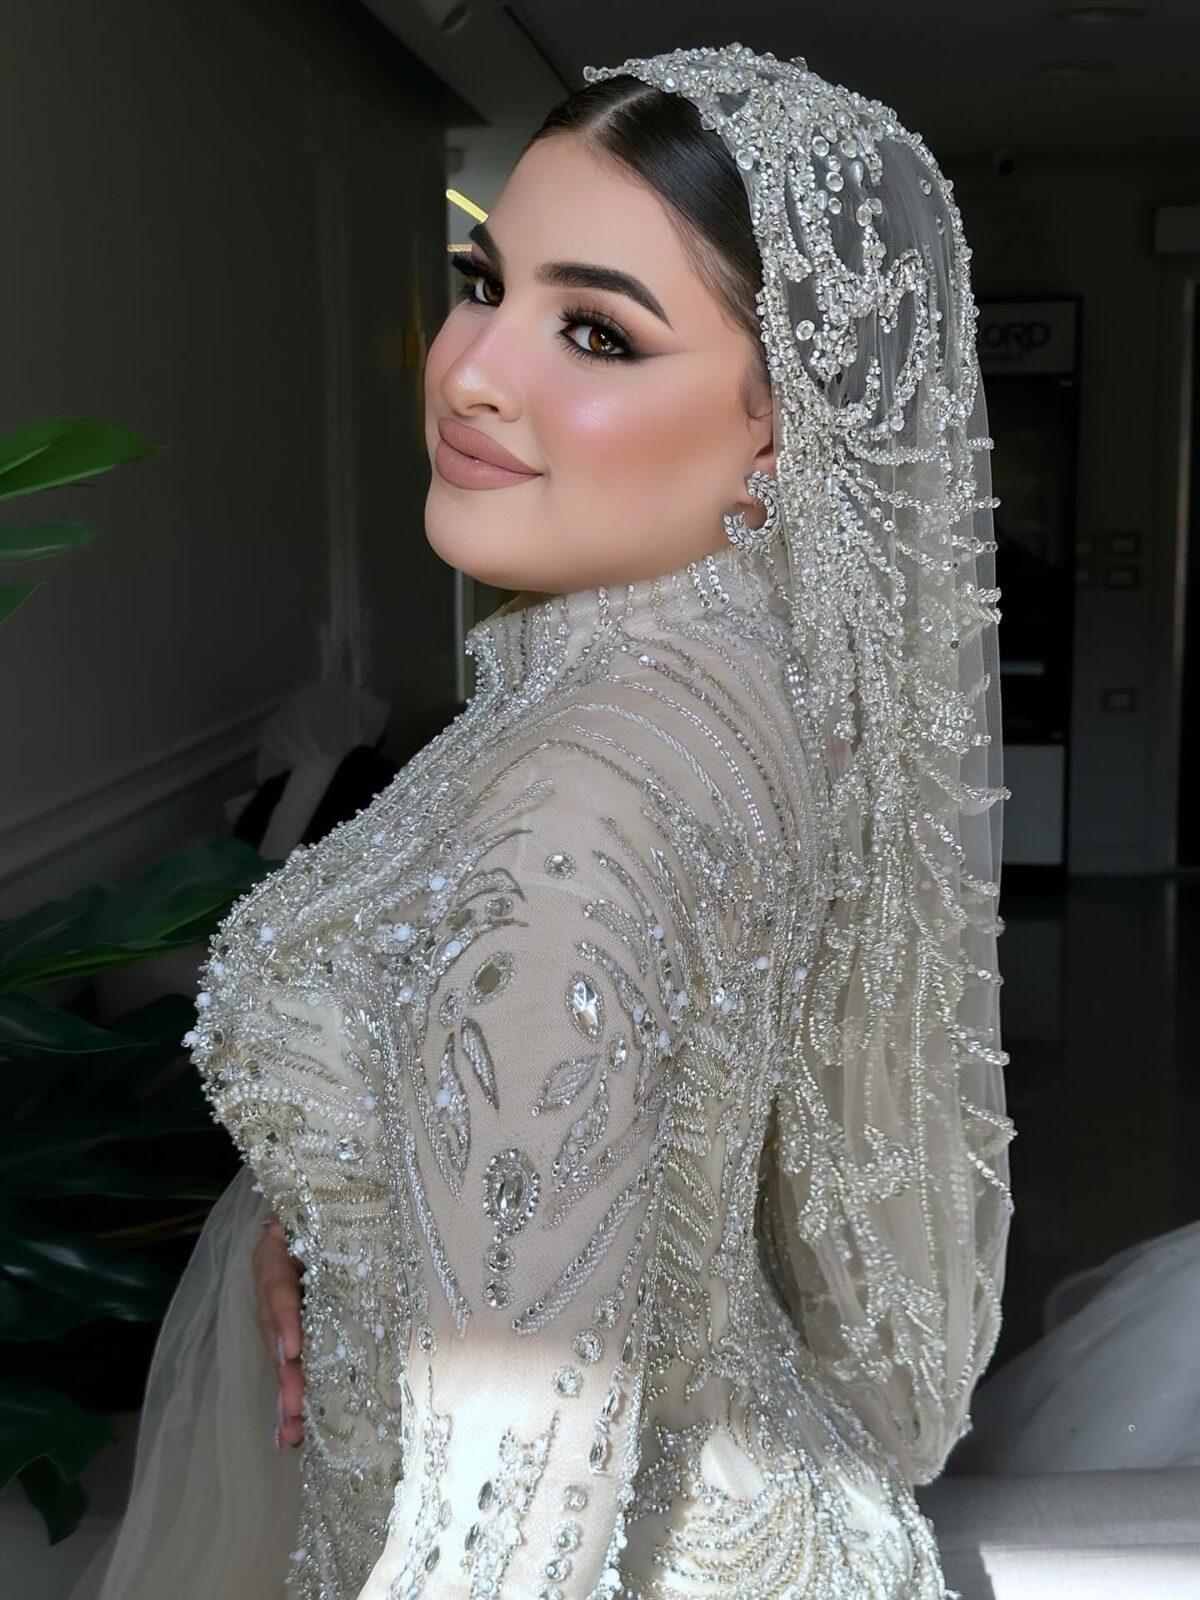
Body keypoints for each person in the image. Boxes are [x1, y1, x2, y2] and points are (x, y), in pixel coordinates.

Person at [69, 42, 1013, 1600]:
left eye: (595, 330)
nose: (469, 370)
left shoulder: (582, 806)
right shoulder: (736, 688)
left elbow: (513, 1532)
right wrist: (349, 1205)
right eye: (482, 284)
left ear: (784, 427)